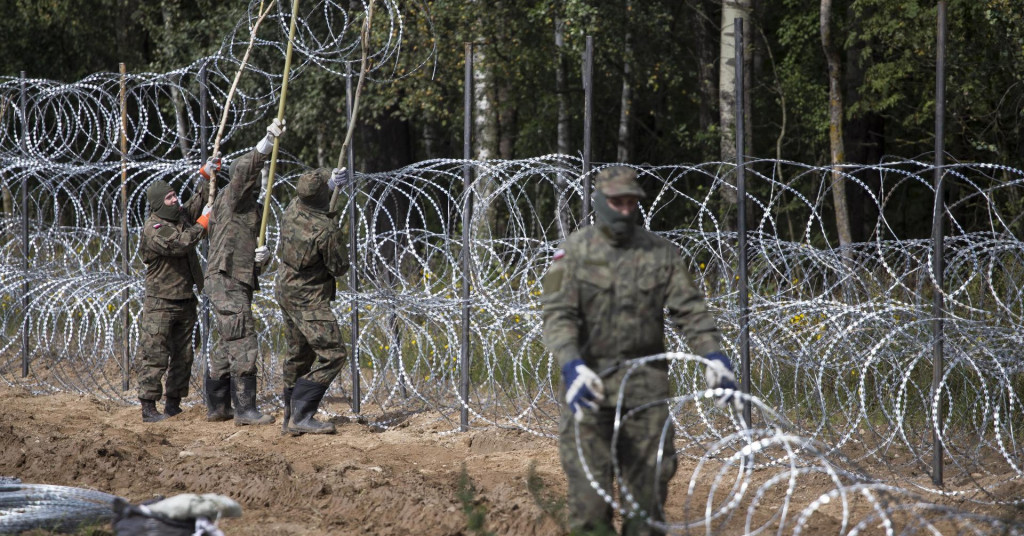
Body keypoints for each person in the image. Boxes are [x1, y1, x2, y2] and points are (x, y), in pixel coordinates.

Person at [541, 166, 742, 535]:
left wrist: (713, 355)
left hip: (645, 396)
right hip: (591, 391)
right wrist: (571, 364)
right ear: (600, 203)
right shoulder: (574, 253)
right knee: (589, 507)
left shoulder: (660, 253)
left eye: (631, 203)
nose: (624, 210)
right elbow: (557, 315)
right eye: (617, 202)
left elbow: (691, 310)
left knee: (646, 508)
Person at [203, 117, 285, 426]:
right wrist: (265, 144)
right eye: (259, 174)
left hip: (235, 278)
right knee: (243, 342)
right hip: (226, 280)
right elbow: (242, 171)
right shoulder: (233, 198)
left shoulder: (250, 207)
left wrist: (259, 260)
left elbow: (238, 246)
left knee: (227, 344)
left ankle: (218, 406)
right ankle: (245, 410)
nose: (261, 177)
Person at [275, 167, 350, 435]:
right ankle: (302, 415)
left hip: (286, 290)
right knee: (333, 353)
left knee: (298, 353)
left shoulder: (293, 207)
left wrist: (330, 183)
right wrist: (340, 236)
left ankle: (289, 417)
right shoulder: (325, 229)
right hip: (309, 298)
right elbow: (340, 267)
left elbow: (311, 197)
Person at [136, 177, 212, 423]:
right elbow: (180, 243)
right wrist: (203, 224)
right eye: (169, 198)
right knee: (155, 356)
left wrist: (208, 176)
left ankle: (173, 404)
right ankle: (148, 408)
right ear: (158, 204)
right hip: (161, 302)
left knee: (184, 355)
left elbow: (198, 202)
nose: (175, 200)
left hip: (185, 300)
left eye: (175, 195)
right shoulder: (154, 228)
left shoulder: (179, 217)